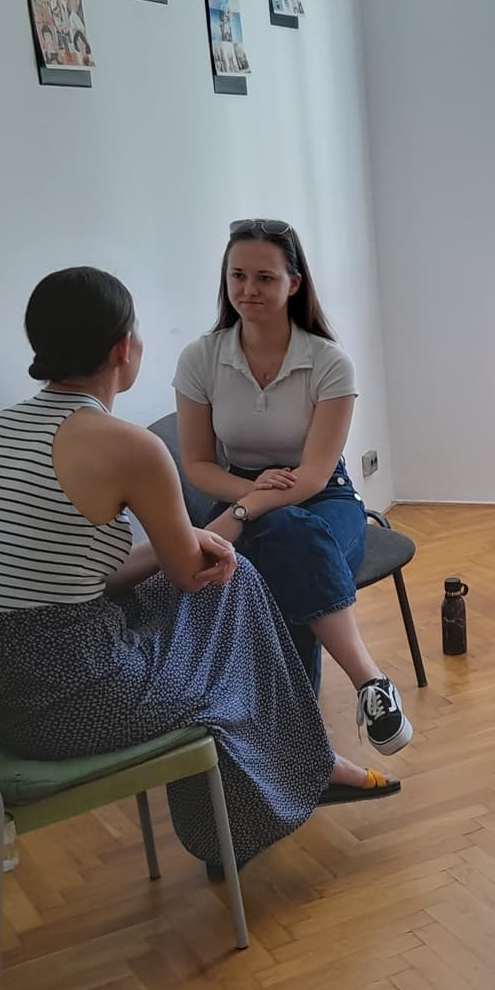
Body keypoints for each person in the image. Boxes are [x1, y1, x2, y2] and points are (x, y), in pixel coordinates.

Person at [0, 266, 398, 878]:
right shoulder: (124, 444)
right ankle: (290, 781)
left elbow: (97, 578)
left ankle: (294, 775)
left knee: (226, 595)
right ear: (122, 349)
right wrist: (227, 528)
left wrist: (200, 540)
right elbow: (194, 576)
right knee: (234, 589)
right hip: (74, 697)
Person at [175, 219, 414, 754]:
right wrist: (246, 497)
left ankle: (295, 755)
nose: (248, 290)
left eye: (264, 277)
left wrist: (245, 512)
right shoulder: (202, 358)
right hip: (235, 493)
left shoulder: (328, 363)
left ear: (294, 284)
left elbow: (309, 477)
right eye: (238, 276)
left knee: (291, 539)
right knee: (289, 562)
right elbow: (195, 463)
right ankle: (369, 684)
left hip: (325, 499)